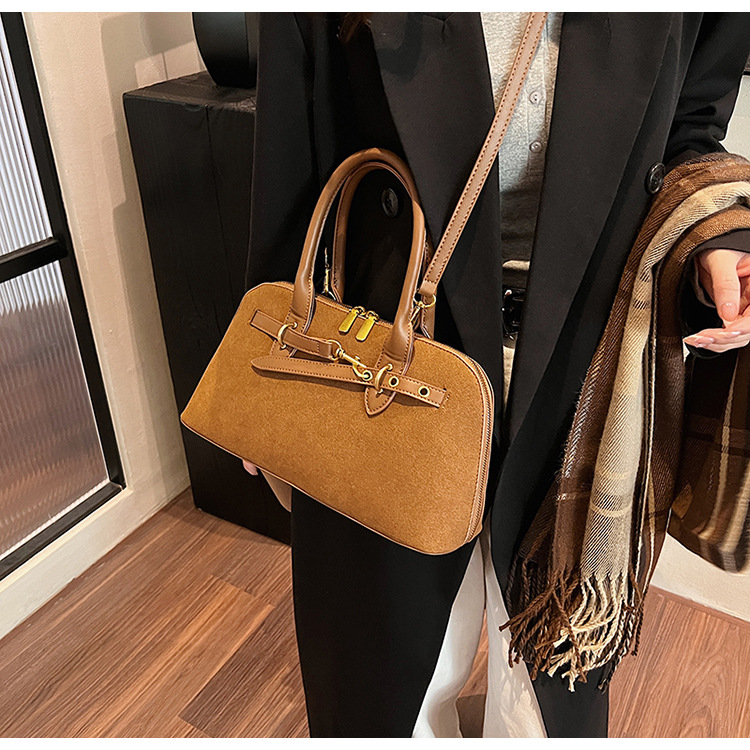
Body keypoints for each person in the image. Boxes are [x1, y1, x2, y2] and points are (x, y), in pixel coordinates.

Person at [243, 12, 750, 738]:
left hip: (587, 358)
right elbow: (290, 154)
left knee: (549, 689)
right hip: (385, 355)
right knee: (389, 685)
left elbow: (690, 126)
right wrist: (263, 367)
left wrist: (721, 239)